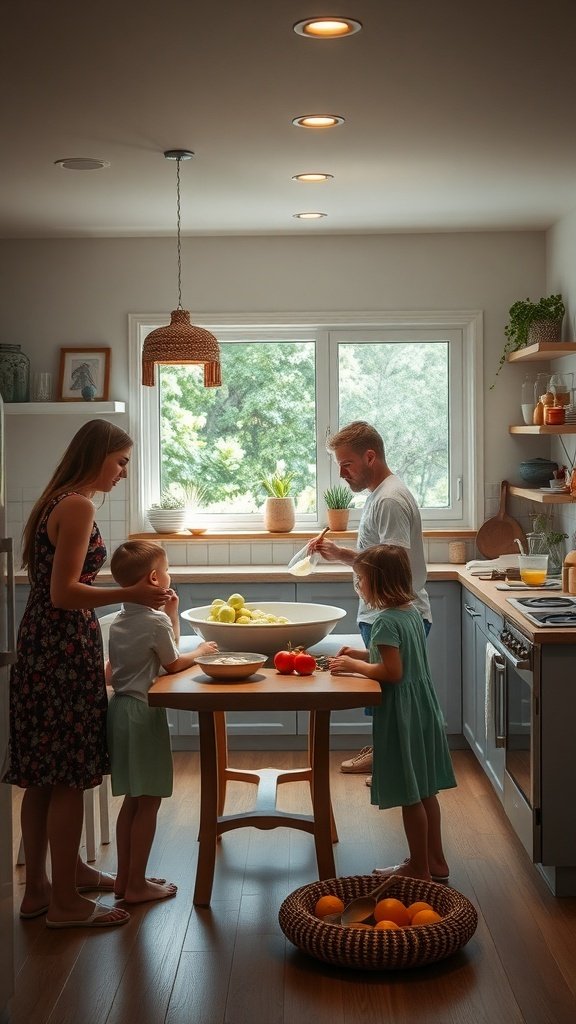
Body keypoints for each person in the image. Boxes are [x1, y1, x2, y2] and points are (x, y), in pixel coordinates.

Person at [4, 419, 171, 929]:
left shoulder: (55, 499)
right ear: (96, 455)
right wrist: (131, 594)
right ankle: (66, 906)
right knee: (68, 777)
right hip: (60, 648)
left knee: (41, 777)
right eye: (120, 461)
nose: (123, 472)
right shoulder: (78, 505)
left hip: (40, 646)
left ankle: (44, 887)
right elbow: (64, 593)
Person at [308, 420, 431, 776]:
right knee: (389, 699)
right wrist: (341, 554)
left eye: (347, 464)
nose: (343, 474)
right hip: (384, 613)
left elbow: (395, 564)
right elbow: (382, 556)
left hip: (389, 614)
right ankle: (390, 759)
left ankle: (397, 768)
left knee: (394, 699)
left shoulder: (389, 499)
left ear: (370, 457)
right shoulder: (382, 494)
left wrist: (344, 556)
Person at [329, 544, 456, 882]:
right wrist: (361, 651)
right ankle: (435, 862)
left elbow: (391, 672)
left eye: (361, 580)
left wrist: (354, 665)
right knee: (426, 790)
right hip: (423, 710)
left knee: (409, 794)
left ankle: (418, 869)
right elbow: (397, 656)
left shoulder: (384, 620)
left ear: (377, 582)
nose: (358, 586)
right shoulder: (411, 612)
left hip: (401, 714)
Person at [105, 541, 218, 904]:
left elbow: (159, 650)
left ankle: (125, 878)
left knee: (132, 802)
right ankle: (136, 885)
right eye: (166, 570)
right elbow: (172, 662)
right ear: (154, 578)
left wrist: (171, 612)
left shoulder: (120, 621)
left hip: (120, 713)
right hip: (144, 715)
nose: (169, 575)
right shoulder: (153, 621)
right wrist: (200, 652)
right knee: (150, 801)